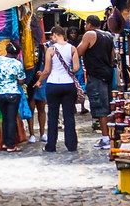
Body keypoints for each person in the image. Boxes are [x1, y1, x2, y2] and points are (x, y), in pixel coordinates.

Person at [35, 25, 79, 152]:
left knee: (53, 116)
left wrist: (39, 81)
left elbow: (47, 70)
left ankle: (51, 145)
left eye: (52, 36)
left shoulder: (50, 49)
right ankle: (71, 145)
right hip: (68, 84)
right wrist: (68, 71)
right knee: (69, 116)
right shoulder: (72, 48)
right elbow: (76, 68)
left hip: (53, 84)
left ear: (55, 35)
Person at [76, 14, 116, 148]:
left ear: (88, 24)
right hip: (107, 73)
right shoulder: (109, 36)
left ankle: (106, 138)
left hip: (96, 74)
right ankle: (109, 136)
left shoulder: (89, 35)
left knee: (100, 108)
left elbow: (79, 51)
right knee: (107, 105)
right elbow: (112, 57)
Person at [0, 42, 26, 152]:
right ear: (17, 53)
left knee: (5, 118)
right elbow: (21, 80)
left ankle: (4, 143)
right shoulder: (17, 63)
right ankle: (10, 145)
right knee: (11, 119)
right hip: (13, 93)